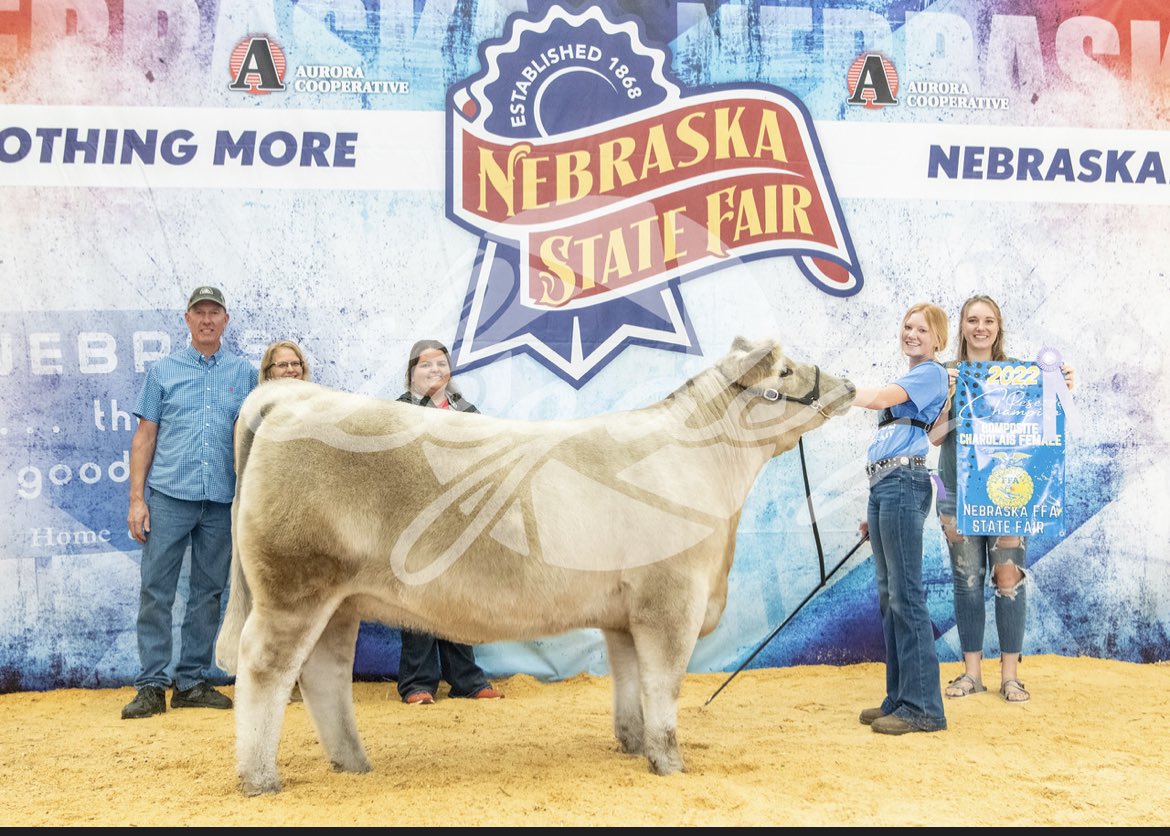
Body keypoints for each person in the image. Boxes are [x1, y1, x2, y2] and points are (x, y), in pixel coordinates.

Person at [929, 295, 1075, 704]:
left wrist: (1061, 386)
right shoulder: (945, 373)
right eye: (973, 320)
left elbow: (1046, 424)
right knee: (967, 581)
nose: (980, 327)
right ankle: (972, 674)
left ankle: (1011, 676)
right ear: (961, 326)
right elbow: (934, 437)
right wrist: (947, 399)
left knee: (1008, 579)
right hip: (956, 492)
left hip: (1008, 494)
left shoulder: (1020, 374)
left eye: (988, 320)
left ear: (998, 327)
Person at [121, 286, 257, 719]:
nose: (207, 319)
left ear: (225, 320)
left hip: (221, 501)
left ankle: (191, 682)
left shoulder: (245, 374)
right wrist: (137, 499)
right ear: (187, 319)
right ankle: (151, 685)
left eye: (214, 312)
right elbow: (144, 437)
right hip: (169, 498)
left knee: (208, 593)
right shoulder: (163, 371)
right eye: (199, 312)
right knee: (155, 591)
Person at [853, 303, 951, 735]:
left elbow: (877, 399)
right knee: (890, 595)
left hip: (903, 484)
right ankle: (899, 697)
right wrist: (872, 508)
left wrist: (833, 391)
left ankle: (924, 707)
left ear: (938, 339)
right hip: (886, 485)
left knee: (905, 595)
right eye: (908, 327)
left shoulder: (929, 373)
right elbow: (910, 434)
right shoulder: (916, 379)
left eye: (922, 329)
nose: (911, 334)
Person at [394, 339, 503, 705]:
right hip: (414, 520)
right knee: (417, 600)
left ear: (450, 370)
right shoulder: (398, 411)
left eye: (441, 364)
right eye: (426, 365)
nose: (435, 370)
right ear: (412, 373)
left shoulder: (466, 410)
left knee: (458, 598)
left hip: (459, 519)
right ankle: (417, 683)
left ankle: (466, 679)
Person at [258, 339, 310, 704]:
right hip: (272, 517)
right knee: (275, 603)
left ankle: (307, 679)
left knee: (310, 602)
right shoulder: (256, 412)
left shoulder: (321, 409)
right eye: (282, 365)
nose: (290, 370)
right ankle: (276, 680)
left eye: (295, 364)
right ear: (268, 372)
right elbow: (244, 466)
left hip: (310, 518)